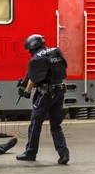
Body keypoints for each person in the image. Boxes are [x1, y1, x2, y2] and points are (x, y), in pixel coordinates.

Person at [16, 34, 70, 164]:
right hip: (59, 91)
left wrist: (27, 92)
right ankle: (64, 154)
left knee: (35, 124)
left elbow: (32, 79)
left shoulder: (36, 59)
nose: (29, 52)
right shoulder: (55, 51)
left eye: (29, 49)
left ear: (32, 46)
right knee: (56, 125)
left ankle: (30, 153)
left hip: (45, 94)